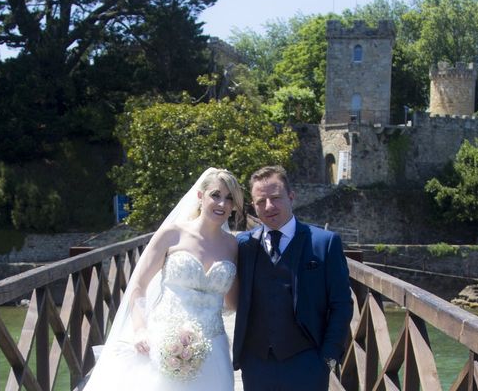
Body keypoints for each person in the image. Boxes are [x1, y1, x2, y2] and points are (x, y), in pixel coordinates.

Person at [84, 168, 243, 391]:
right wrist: (140, 330)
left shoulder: (233, 246)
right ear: (200, 196)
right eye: (215, 195)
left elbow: (233, 303)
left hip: (213, 347)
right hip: (165, 342)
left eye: (229, 199)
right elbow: (138, 284)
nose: (222, 204)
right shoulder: (172, 234)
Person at [232, 165, 353, 391]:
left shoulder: (324, 242)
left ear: (291, 196)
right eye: (260, 201)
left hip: (308, 362)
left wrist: (329, 357)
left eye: (276, 198)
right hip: (256, 363)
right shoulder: (243, 245)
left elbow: (342, 304)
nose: (269, 206)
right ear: (253, 206)